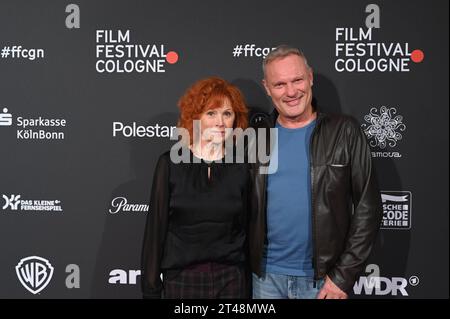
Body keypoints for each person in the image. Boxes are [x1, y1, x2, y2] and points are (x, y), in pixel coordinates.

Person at [249, 45, 383, 299]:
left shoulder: (345, 131)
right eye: (279, 85)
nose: (291, 92)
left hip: (323, 282)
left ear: (310, 77)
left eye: (297, 80)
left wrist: (342, 277)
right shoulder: (255, 137)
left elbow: (369, 208)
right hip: (264, 280)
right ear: (267, 87)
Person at [141, 77, 252, 299]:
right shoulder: (171, 164)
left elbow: (249, 228)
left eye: (227, 114)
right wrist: (151, 288)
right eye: (211, 113)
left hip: (232, 280)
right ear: (196, 118)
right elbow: (156, 229)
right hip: (182, 280)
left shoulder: (243, 167)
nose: (220, 122)